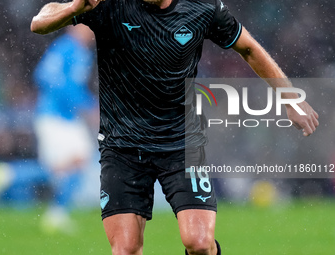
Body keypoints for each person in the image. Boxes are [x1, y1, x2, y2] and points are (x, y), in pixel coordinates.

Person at [30, 0, 319, 253]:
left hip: (181, 144)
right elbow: (39, 23)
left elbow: (248, 48)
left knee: (199, 243)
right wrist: (72, 8)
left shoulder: (203, 8)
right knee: (126, 249)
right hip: (122, 147)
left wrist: (289, 97)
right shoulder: (108, 4)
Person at [33, 24, 98, 233]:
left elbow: (73, 86)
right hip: (53, 116)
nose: (91, 32)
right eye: (87, 27)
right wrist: (84, 104)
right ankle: (12, 175)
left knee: (74, 163)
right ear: (74, 27)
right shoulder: (65, 47)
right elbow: (43, 75)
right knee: (63, 167)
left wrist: (86, 104)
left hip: (68, 119)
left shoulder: (83, 53)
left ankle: (57, 214)